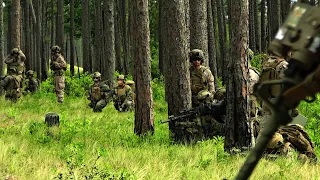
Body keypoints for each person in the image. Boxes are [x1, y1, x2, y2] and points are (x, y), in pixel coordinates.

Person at [189, 49, 217, 139]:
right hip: (192, 99)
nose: (196, 62)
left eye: (198, 60)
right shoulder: (188, 71)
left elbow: (211, 85)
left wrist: (211, 97)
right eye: (194, 60)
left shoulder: (206, 72)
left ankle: (208, 135)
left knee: (206, 120)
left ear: (201, 60)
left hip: (205, 100)